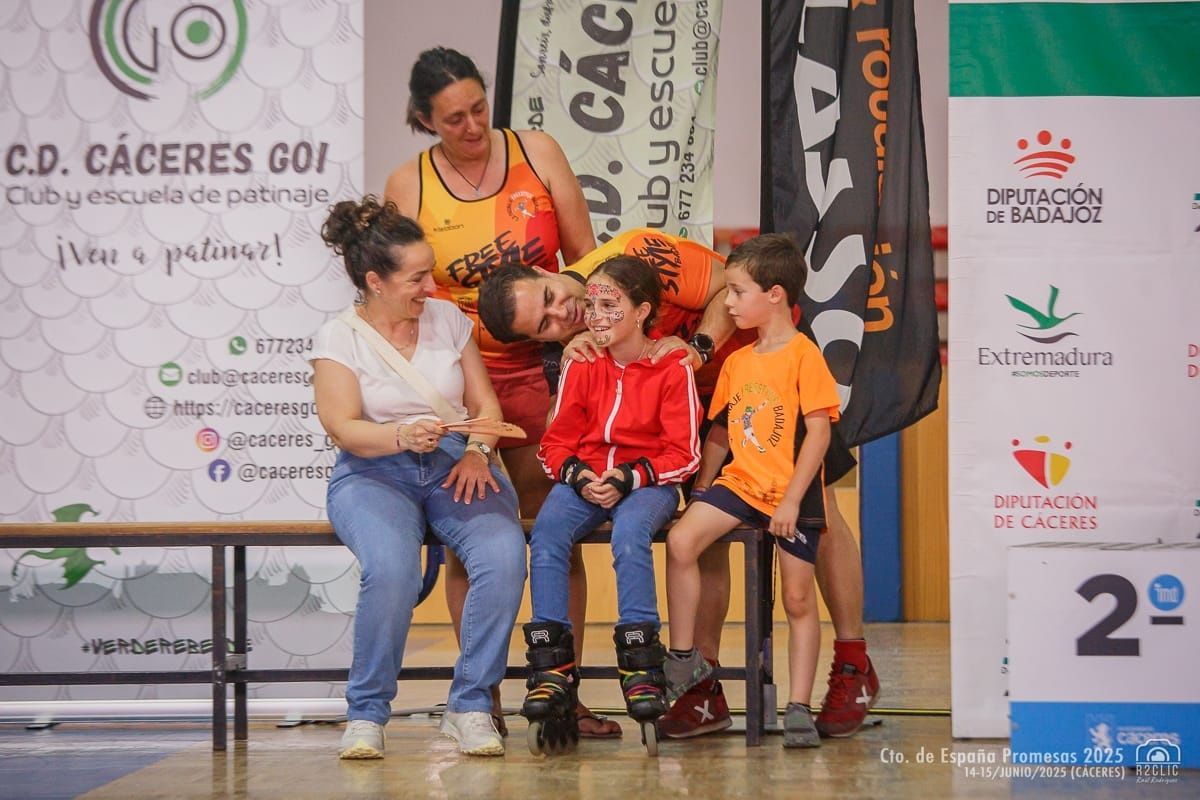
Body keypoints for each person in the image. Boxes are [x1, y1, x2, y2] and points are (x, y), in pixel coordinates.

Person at [479, 229, 879, 739]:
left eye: (553, 299)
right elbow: (571, 430)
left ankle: (853, 663)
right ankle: (702, 687)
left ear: (549, 268)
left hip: (760, 380)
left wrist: (698, 348)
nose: (562, 316)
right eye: (545, 326)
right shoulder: (581, 343)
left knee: (820, 513)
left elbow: (724, 284)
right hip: (689, 420)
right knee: (698, 536)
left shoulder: (641, 250)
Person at [383, 46, 611, 737]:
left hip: (548, 371)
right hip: (463, 379)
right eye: (455, 118)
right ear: (425, 120)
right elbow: (402, 294)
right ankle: (475, 698)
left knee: (558, 534)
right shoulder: (409, 184)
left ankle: (562, 693)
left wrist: (589, 339)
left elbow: (589, 260)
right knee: (469, 541)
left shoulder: (535, 151)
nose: (474, 125)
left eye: (480, 107)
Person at [312, 196, 526, 759]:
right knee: (392, 569)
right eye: (416, 277)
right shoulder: (339, 336)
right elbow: (343, 427)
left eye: (428, 272)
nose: (429, 286)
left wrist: (478, 450)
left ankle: (471, 705)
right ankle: (366, 714)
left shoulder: (449, 319)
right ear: (375, 281)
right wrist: (401, 437)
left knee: (505, 557)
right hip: (374, 471)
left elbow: (483, 402)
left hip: (458, 463)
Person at [662, 233, 841, 749]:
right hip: (740, 484)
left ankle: (800, 705)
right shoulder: (739, 360)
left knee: (797, 598)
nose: (730, 303)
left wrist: (789, 500)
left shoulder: (804, 355)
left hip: (791, 491)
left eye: (737, 292)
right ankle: (682, 658)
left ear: (776, 294)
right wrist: (701, 488)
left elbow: (820, 433)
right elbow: (719, 430)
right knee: (682, 541)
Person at [520, 256, 702, 754]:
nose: (596, 317)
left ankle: (642, 665)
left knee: (629, 535)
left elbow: (683, 452)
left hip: (649, 482)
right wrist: (579, 475)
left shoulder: (671, 366)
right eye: (592, 305)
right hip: (587, 480)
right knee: (548, 535)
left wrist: (629, 476)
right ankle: (551, 666)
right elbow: (554, 444)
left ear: (643, 311)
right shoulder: (581, 362)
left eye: (610, 305)